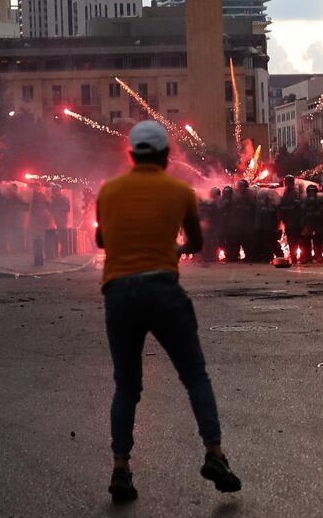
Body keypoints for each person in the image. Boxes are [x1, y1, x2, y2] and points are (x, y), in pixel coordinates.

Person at [96, 121, 241, 502]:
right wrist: (175, 250)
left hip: (119, 293)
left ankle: (121, 468)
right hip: (163, 289)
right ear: (165, 155)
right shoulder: (179, 191)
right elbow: (195, 241)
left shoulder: (109, 192)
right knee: (195, 375)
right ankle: (214, 453)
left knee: (126, 386)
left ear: (131, 154)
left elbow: (101, 238)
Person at [278, 175, 304, 262]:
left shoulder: (296, 193)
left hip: (296, 220)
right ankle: (294, 255)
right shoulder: (285, 193)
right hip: (289, 220)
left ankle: (297, 255)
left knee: (296, 238)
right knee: (292, 239)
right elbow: (282, 206)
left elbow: (300, 205)